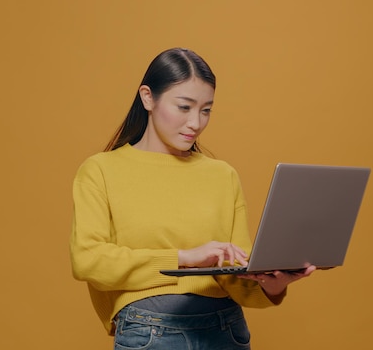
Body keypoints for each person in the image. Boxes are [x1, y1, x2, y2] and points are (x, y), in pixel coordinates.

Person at [70, 47, 315, 349]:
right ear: (148, 97)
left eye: (206, 110)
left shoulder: (222, 175)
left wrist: (272, 285)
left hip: (226, 329)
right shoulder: (100, 170)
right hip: (149, 331)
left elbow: (235, 274)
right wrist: (184, 258)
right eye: (184, 107)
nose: (195, 123)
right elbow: (88, 260)